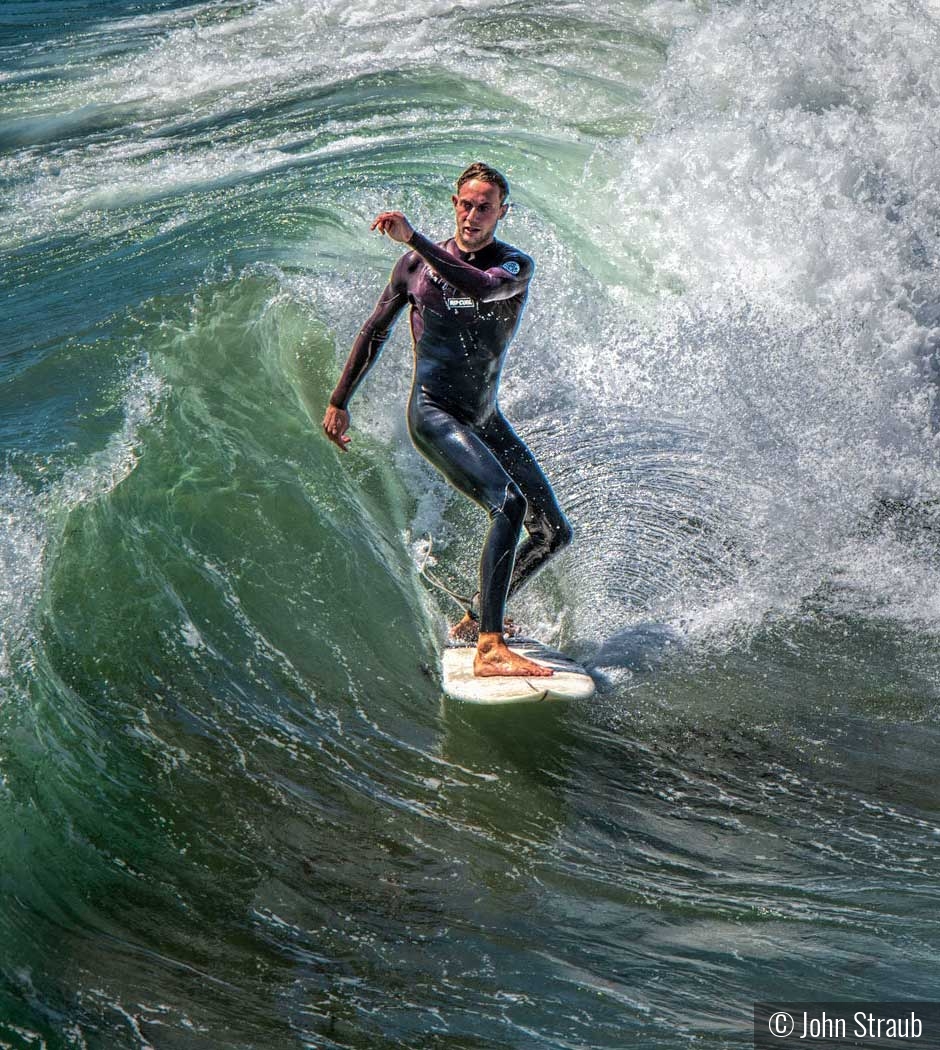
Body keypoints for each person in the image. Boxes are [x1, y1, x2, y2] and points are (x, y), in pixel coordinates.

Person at [322, 162, 572, 677]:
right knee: (508, 503)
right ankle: (490, 645)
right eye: (465, 203)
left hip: (484, 417)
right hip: (433, 413)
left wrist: (413, 238)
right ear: (454, 203)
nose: (472, 215)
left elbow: (480, 287)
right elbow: (374, 332)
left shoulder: (513, 266)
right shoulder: (414, 270)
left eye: (485, 207)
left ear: (502, 212)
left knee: (551, 533)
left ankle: (477, 618)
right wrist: (339, 401)